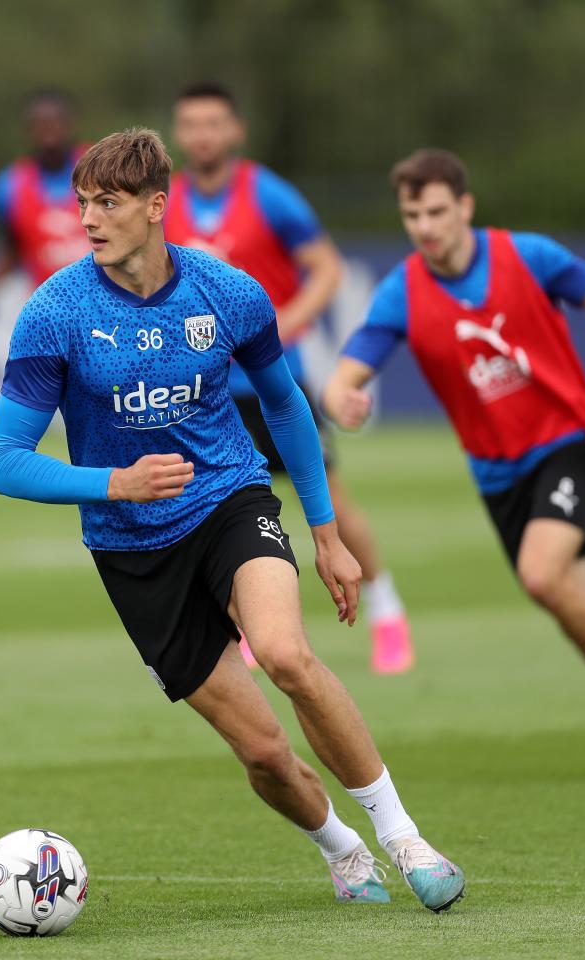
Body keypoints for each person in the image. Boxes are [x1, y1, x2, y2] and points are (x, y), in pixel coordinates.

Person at [0, 128, 465, 910]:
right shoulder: (54, 313)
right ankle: (341, 849)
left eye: (107, 203)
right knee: (265, 752)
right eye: (83, 204)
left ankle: (405, 837)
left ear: (156, 206)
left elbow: (286, 406)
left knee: (285, 654)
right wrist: (114, 484)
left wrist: (327, 535)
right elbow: (5, 460)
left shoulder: (227, 291)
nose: (89, 220)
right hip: (131, 549)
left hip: (228, 500)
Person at [322, 148, 585, 777]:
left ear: (466, 207)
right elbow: (347, 371)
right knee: (577, 610)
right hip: (497, 472)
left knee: (540, 574)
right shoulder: (402, 291)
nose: (425, 227)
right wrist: (342, 397)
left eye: (436, 211)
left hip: (569, 441)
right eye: (412, 215)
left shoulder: (527, 255)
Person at [164, 82, 413, 674]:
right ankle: (248, 622)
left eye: (214, 122)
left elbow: (325, 268)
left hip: (274, 387)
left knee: (329, 502)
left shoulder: (268, 195)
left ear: (235, 130)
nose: (203, 135)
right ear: (178, 133)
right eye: (192, 124)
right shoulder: (165, 202)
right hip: (205, 393)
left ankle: (386, 609)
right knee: (214, 510)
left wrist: (286, 322)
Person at [0, 90, 92, 318]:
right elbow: (12, 248)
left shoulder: (103, 170)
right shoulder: (7, 189)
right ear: (28, 130)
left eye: (54, 122)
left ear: (69, 124)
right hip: (51, 313)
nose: (48, 130)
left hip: (107, 307)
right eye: (40, 124)